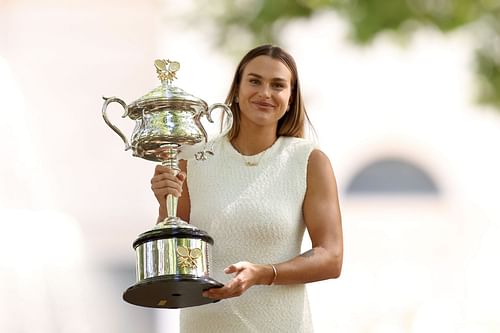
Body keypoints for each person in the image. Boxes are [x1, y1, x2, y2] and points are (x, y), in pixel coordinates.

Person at [151, 44, 343, 332]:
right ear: (237, 91)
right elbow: (171, 257)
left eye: (277, 85)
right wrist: (164, 205)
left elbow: (331, 257)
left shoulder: (308, 161)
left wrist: (264, 273)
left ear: (290, 99)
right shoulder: (192, 158)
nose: (265, 93)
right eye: (254, 81)